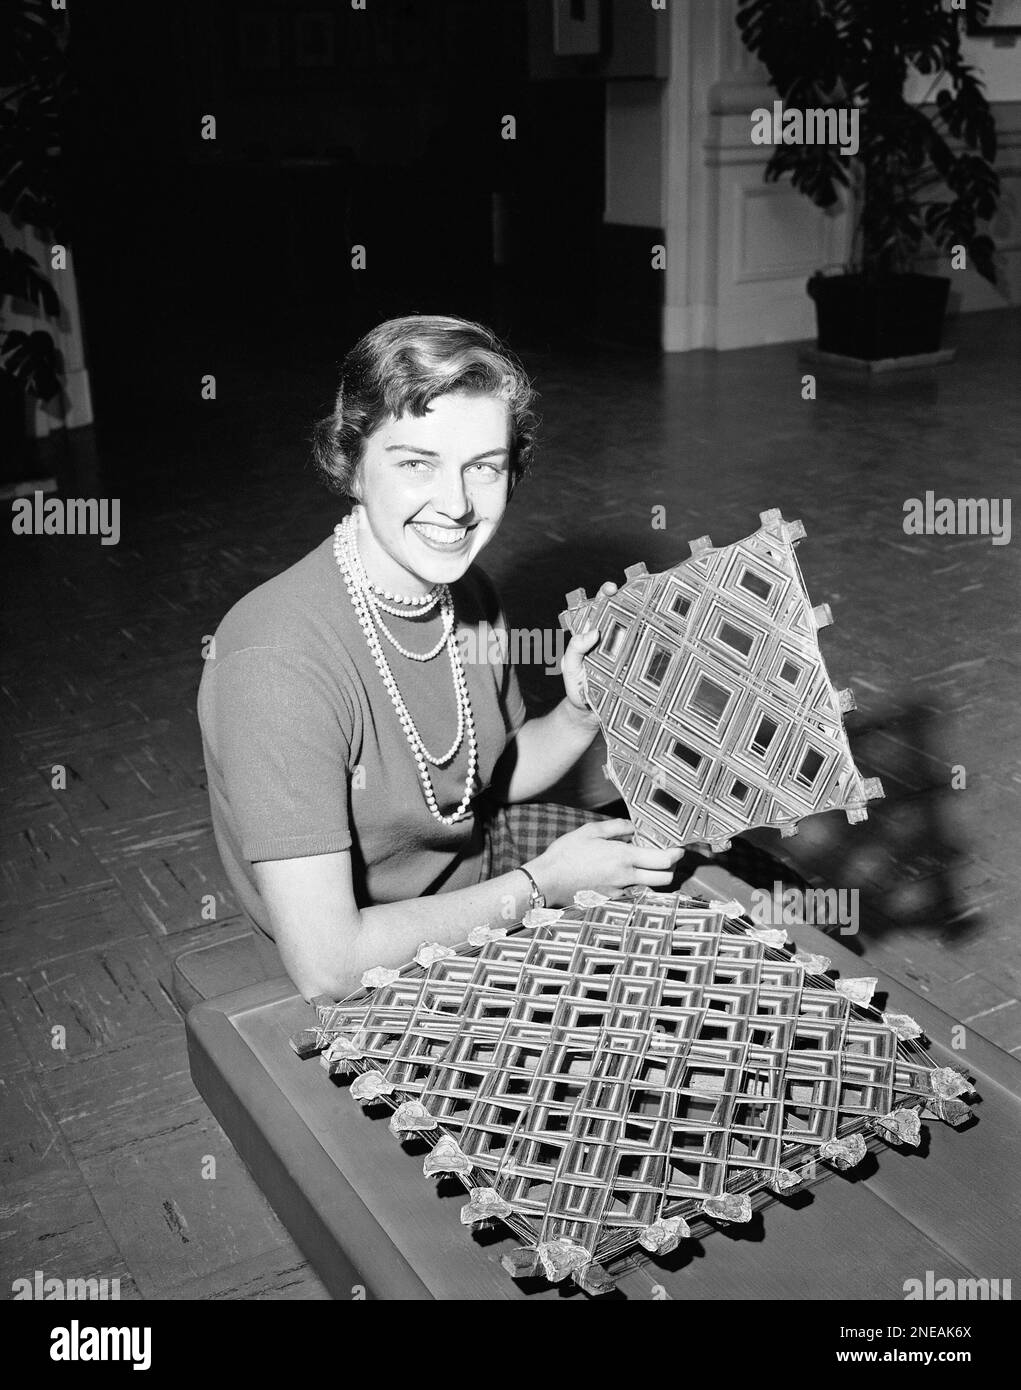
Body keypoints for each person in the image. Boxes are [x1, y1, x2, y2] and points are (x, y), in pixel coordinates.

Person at [198, 315, 683, 1001]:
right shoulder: (276, 663)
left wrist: (578, 712)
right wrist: (543, 886)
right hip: (374, 964)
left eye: (482, 467)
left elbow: (485, 781)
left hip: (481, 879)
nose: (455, 506)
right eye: (415, 462)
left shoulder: (465, 589)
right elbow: (329, 966)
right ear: (351, 461)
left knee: (693, 880)